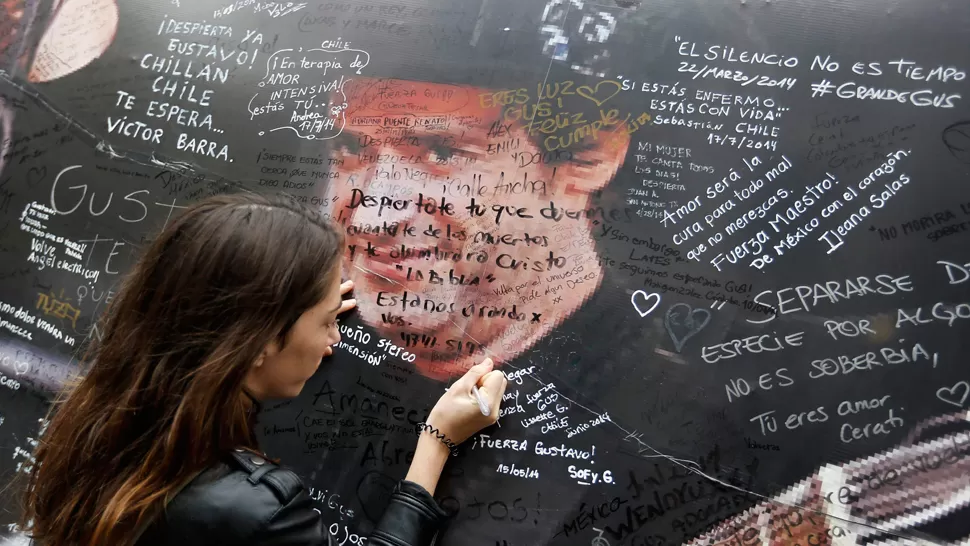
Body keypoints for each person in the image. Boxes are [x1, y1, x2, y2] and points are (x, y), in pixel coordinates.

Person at [18, 193, 509, 546]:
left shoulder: (96, 422)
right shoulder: (253, 511)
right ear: (257, 342)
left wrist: (299, 316)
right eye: (322, 322)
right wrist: (437, 442)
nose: (335, 337)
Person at [322, 76, 633, 380]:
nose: (371, 221)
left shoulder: (650, 386)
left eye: (443, 153)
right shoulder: (304, 350)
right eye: (348, 150)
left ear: (589, 160)